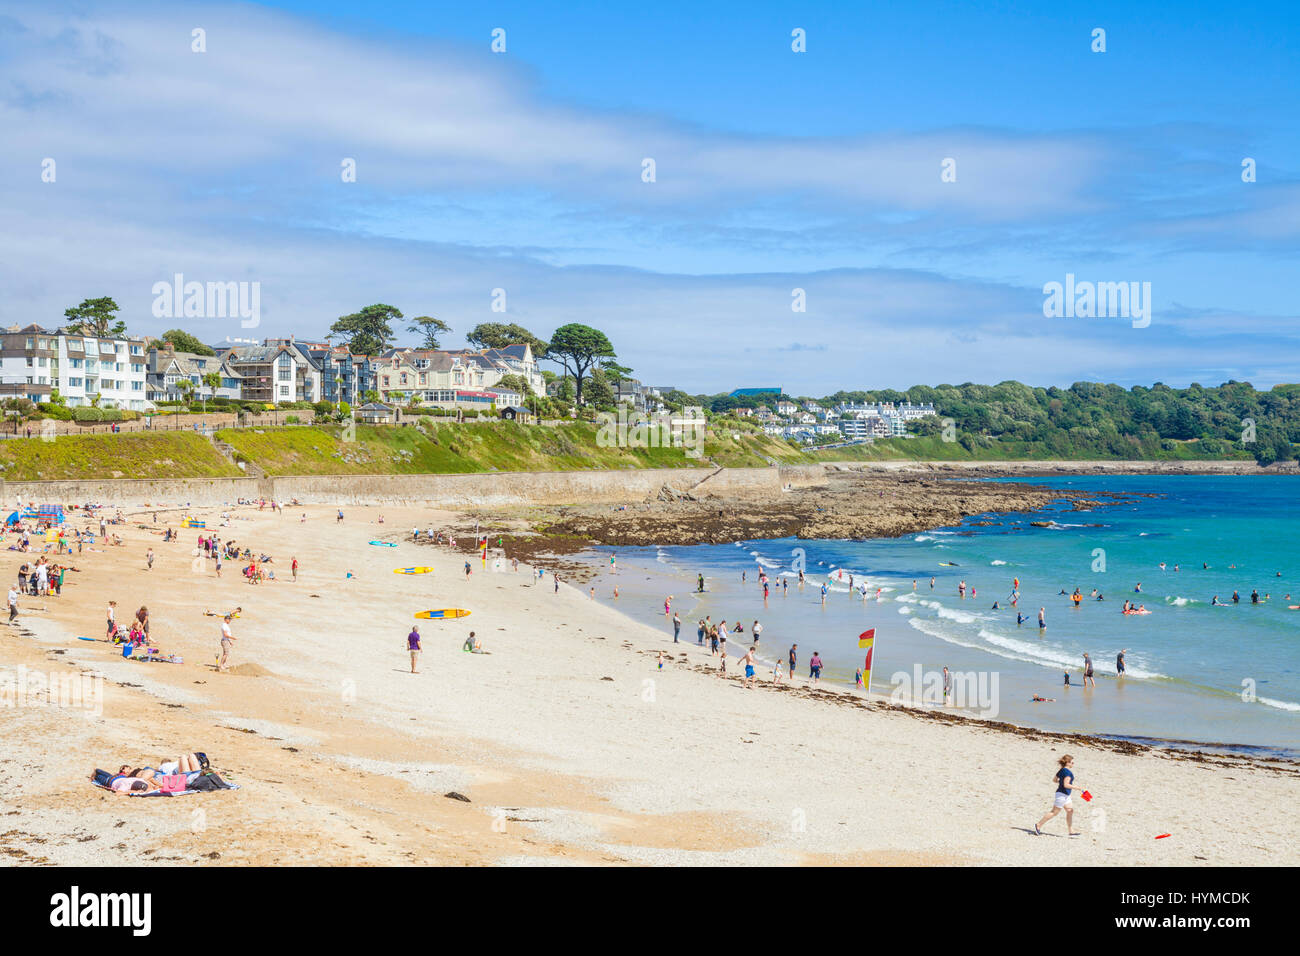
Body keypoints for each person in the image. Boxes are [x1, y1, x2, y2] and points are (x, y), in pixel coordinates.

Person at [1034, 754, 1082, 836]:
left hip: (1065, 794)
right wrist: (1078, 788)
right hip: (1062, 795)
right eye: (1072, 762)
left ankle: (1071, 831)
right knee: (1054, 812)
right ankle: (1038, 825)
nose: (1073, 764)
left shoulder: (1061, 770)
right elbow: (1066, 785)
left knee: (1070, 811)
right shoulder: (1068, 773)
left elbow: (1054, 780)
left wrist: (1061, 782)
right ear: (1067, 763)